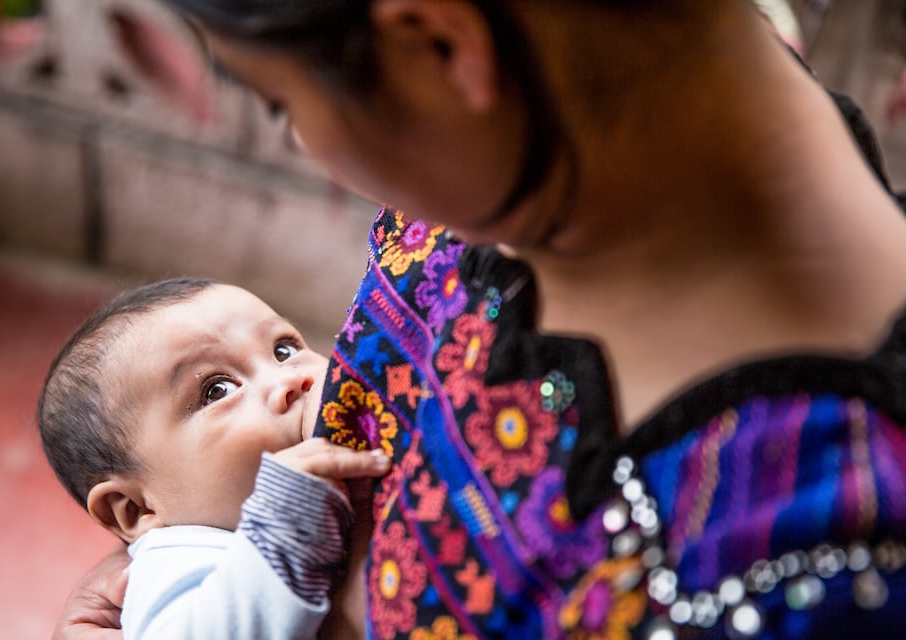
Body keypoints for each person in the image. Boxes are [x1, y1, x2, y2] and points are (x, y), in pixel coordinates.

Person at [56, 1, 906, 639]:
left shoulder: (828, 556)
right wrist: (195, 549)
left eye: (282, 104)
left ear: (442, 43)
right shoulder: (497, 180)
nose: (310, 144)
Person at [38, 277, 391, 639]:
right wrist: (279, 526)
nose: (289, 380)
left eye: (283, 350)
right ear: (136, 508)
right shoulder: (176, 563)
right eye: (217, 390)